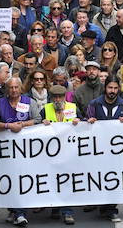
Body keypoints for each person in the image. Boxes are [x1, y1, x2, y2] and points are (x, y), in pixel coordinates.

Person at [0, 77, 43, 227]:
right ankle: (14, 210)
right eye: (10, 88)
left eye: (16, 87)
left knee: (22, 180)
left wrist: (23, 124)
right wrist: (8, 126)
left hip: (25, 150)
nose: (13, 90)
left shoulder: (29, 102)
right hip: (6, 150)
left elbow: (38, 119)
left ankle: (20, 213)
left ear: (21, 88)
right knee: (9, 180)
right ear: (7, 89)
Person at [86, 77, 123, 221]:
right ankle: (101, 205)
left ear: (118, 89)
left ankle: (111, 209)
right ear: (105, 88)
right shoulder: (94, 104)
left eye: (115, 88)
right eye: (110, 88)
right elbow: (85, 123)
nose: (112, 91)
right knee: (100, 177)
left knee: (114, 178)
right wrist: (89, 122)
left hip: (117, 151)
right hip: (98, 150)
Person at [42, 84, 79, 224]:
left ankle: (67, 212)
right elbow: (35, 126)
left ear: (64, 97)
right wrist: (41, 122)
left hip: (68, 152)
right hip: (50, 153)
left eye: (60, 97)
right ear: (51, 98)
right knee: (51, 181)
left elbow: (83, 123)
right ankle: (55, 208)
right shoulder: (45, 109)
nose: (57, 100)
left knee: (66, 182)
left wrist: (78, 121)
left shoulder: (72, 108)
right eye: (55, 97)